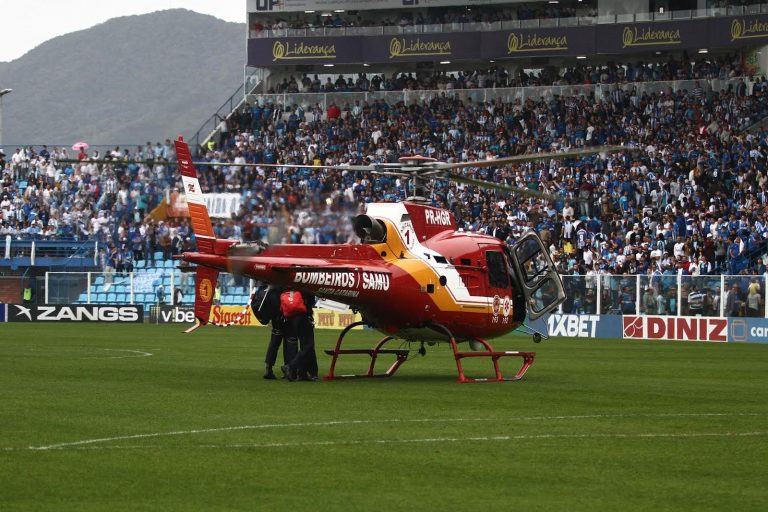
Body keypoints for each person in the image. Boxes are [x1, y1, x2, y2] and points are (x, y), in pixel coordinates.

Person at [251, 286, 298, 380]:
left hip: (276, 320)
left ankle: (268, 368)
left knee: (274, 344)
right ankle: (289, 369)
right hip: (286, 318)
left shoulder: (267, 290)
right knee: (290, 342)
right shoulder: (284, 289)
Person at [280, 289, 318, 382]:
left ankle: (302, 372)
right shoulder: (304, 287)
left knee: (304, 345)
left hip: (293, 318)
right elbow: (311, 301)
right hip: (303, 316)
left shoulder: (290, 288)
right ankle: (291, 366)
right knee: (308, 346)